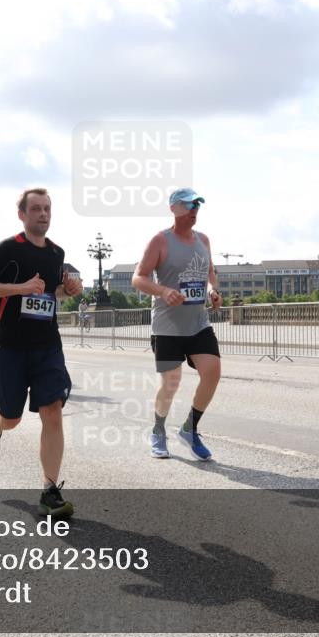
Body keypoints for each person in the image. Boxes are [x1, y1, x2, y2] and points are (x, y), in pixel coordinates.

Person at [0, 187, 83, 517]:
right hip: (11, 348)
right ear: (22, 214)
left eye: (47, 208)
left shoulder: (56, 253)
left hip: (48, 346)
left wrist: (69, 290)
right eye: (36, 208)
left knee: (53, 411)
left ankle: (50, 491)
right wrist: (20, 288)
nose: (43, 214)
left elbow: (50, 292)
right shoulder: (8, 248)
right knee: (11, 418)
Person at [132, 188, 223, 461]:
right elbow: (139, 277)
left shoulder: (203, 240)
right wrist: (162, 291)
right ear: (173, 208)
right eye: (188, 204)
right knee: (171, 383)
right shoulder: (160, 241)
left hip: (198, 323)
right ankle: (158, 430)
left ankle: (189, 429)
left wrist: (213, 291)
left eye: (197, 205)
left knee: (213, 372)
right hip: (167, 327)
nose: (194, 209)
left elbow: (210, 273)